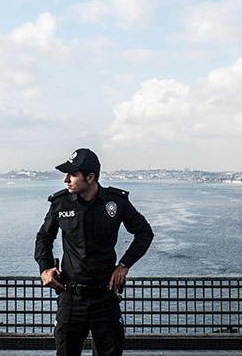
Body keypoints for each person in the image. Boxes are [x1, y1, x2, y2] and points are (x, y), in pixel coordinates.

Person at [35, 148, 154, 356]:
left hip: (105, 297)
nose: (66, 179)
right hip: (70, 297)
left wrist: (124, 265)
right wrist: (46, 268)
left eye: (72, 174)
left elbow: (144, 233)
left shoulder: (116, 203)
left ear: (90, 177)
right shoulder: (60, 203)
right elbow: (44, 237)